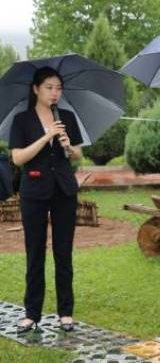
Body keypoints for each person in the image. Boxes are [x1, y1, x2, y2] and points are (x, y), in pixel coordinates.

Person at [10, 67, 84, 333]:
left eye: (58, 88)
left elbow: (76, 155)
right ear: (36, 89)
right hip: (34, 192)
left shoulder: (66, 117)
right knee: (35, 252)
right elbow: (17, 158)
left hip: (64, 190)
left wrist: (68, 145)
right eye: (49, 87)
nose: (55, 93)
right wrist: (47, 136)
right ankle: (32, 313)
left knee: (63, 252)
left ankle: (66, 312)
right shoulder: (22, 120)